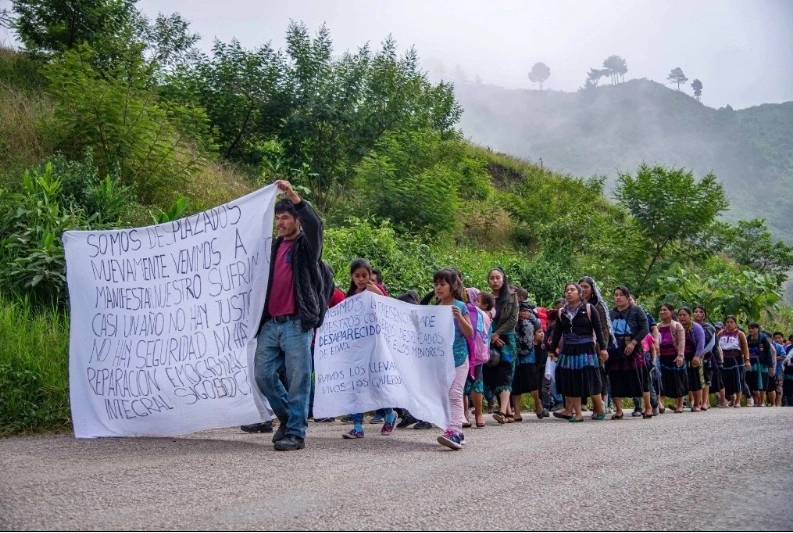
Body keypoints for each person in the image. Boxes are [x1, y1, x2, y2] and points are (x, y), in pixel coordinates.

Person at [252, 180, 326, 451]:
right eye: (278, 218)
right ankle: (287, 417)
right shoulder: (271, 247)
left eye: (285, 218)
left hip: (297, 323)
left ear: (297, 221)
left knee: (299, 379)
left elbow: (316, 226)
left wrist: (294, 196)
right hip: (270, 324)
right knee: (263, 375)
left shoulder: (307, 247)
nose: (280, 223)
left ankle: (296, 433)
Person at [341, 258, 396, 439]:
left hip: (373, 347)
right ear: (352, 276)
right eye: (357, 276)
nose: (361, 279)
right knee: (357, 386)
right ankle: (357, 426)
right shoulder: (350, 295)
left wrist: (377, 292)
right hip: (356, 347)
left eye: (364, 275)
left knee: (375, 384)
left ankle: (389, 413)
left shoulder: (375, 291)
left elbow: (388, 309)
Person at [549, 282, 609, 423]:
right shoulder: (561, 312)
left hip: (586, 348)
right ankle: (577, 413)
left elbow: (598, 330)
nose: (569, 292)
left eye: (572, 290)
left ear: (579, 293)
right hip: (569, 349)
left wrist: (603, 348)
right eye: (567, 290)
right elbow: (557, 332)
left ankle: (599, 407)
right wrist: (552, 351)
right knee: (572, 379)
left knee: (591, 377)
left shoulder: (589, 308)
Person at [434, 269, 474, 450]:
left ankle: (456, 431)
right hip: (441, 360)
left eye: (443, 284)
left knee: (455, 393)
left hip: (459, 358)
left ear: (453, 286)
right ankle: (452, 428)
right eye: (436, 285)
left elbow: (470, 333)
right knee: (444, 394)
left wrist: (459, 317)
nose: (439, 288)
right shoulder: (435, 309)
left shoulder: (460, 306)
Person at [608, 286, 651, 419]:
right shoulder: (610, 313)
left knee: (640, 377)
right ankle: (619, 410)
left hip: (632, 348)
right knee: (615, 378)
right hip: (615, 349)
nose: (618, 297)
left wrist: (633, 343)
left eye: (621, 295)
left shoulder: (637, 311)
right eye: (616, 295)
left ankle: (648, 407)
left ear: (627, 297)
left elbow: (645, 329)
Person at [483, 267, 519, 424]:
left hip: (507, 339)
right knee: (493, 372)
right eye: (492, 278)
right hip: (490, 339)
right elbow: (483, 318)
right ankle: (509, 413)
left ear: (504, 279)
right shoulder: (487, 298)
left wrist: (497, 333)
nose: (495, 281)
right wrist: (492, 335)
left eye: (498, 277)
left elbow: (513, 319)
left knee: (505, 371)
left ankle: (503, 410)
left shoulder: (512, 297)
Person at [579, 276, 612, 419]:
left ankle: (600, 406)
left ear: (592, 289)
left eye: (586, 287)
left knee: (598, 375)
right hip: (581, 346)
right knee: (586, 375)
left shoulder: (598, 306)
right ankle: (592, 405)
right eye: (581, 287)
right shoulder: (576, 305)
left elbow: (603, 328)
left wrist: (602, 347)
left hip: (596, 346)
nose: (583, 290)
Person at [511, 302, 548, 420]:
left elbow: (538, 325)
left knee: (532, 381)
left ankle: (538, 404)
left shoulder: (530, 313)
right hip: (514, 353)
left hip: (528, 352)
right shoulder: (510, 310)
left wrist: (530, 316)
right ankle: (517, 412)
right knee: (515, 383)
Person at [465, 290, 495, 428]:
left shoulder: (480, 315)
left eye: (477, 300)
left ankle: (476, 414)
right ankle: (468, 414)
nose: (474, 302)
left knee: (476, 384)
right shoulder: (467, 312)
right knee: (464, 385)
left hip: (475, 354)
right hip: (469, 352)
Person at [656, 303, 687, 414]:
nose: (662, 312)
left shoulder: (677, 325)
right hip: (662, 356)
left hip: (674, 355)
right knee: (662, 381)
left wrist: (680, 355)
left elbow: (682, 341)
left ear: (671, 312)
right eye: (661, 310)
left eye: (665, 310)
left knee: (678, 379)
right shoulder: (658, 326)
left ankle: (680, 404)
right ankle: (661, 404)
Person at [677, 307, 706, 412]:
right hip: (681, 357)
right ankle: (679, 404)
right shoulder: (677, 326)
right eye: (680, 315)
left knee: (695, 380)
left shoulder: (696, 327)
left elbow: (701, 343)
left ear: (690, 316)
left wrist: (697, 356)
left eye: (684, 315)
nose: (682, 317)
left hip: (694, 356)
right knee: (680, 380)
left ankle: (697, 404)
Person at [717, 315, 750, 408]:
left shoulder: (740, 333)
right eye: (727, 322)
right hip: (724, 359)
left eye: (731, 322)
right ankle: (729, 399)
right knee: (725, 380)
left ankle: (738, 401)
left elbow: (745, 347)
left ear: (735, 323)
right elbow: (716, 345)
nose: (729, 324)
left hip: (736, 359)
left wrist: (747, 360)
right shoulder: (721, 333)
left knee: (738, 380)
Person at [693, 306, 721, 411]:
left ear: (704, 314)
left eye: (700, 312)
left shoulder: (709, 327)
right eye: (696, 312)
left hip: (706, 355)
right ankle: (697, 402)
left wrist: (703, 352)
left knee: (705, 379)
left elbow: (713, 342)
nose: (698, 314)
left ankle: (705, 402)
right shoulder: (690, 326)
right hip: (693, 355)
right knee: (696, 379)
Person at [745, 323, 774, 407]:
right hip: (752, 363)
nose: (751, 330)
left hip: (762, 364)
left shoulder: (763, 338)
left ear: (758, 329)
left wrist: (770, 366)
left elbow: (768, 352)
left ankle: (762, 402)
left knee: (763, 383)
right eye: (750, 328)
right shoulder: (747, 338)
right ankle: (759, 399)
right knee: (753, 383)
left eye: (753, 328)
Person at [770, 332, 786, 406]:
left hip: (779, 370)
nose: (777, 339)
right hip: (769, 370)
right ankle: (772, 403)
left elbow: (783, 356)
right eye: (775, 338)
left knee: (779, 387)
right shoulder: (767, 346)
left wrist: (773, 359)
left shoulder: (779, 347)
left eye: (779, 337)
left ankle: (778, 404)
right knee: (770, 387)